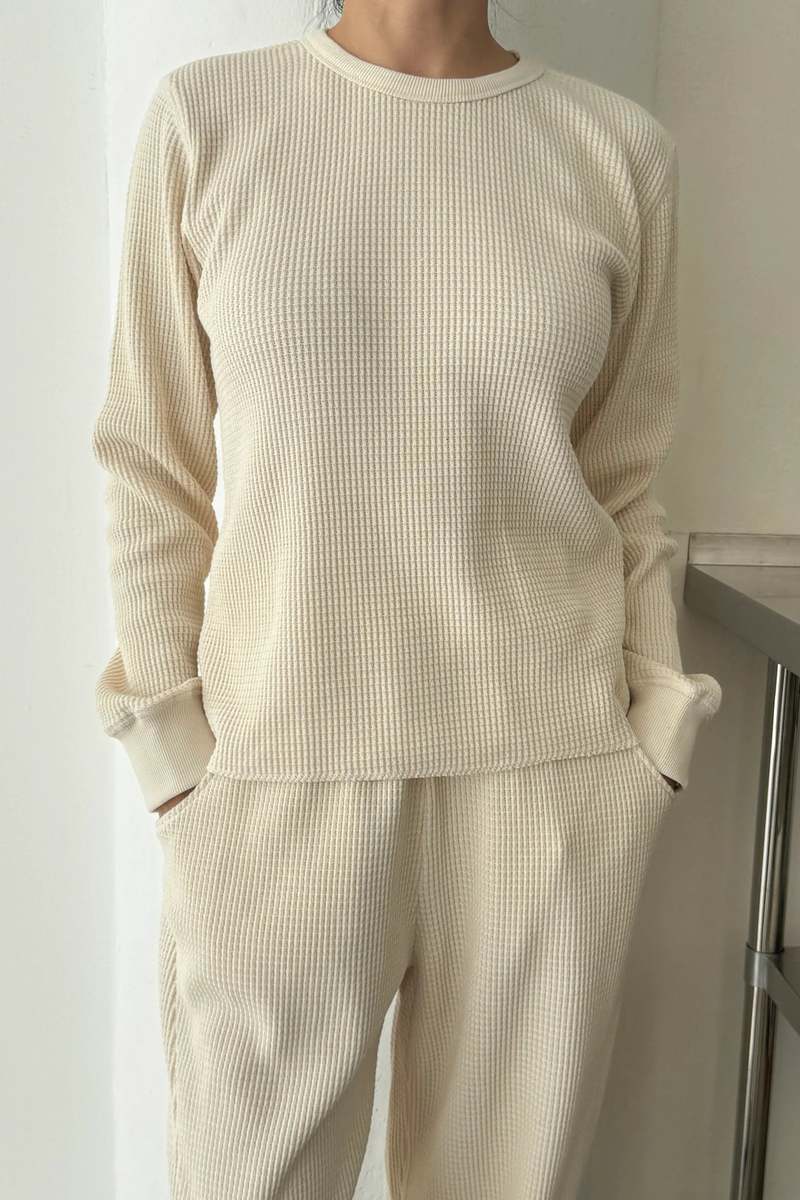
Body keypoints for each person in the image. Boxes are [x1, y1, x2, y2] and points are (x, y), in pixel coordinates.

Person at [90, 2, 723, 1196]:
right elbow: (150, 456)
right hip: (277, 776)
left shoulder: (613, 149)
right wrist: (175, 753)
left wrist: (647, 738)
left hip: (547, 779)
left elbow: (622, 476)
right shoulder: (208, 120)